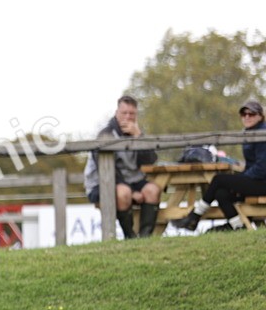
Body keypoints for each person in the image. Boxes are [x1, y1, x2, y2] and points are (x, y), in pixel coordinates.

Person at [170, 100, 266, 232]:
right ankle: (238, 227)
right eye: (244, 114)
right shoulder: (249, 134)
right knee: (221, 193)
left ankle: (194, 217)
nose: (247, 117)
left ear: (261, 116)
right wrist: (239, 181)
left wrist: (240, 181)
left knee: (218, 179)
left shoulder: (262, 133)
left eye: (252, 114)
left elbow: (262, 168)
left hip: (262, 182)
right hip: (256, 180)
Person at [83, 96, 161, 238]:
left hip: (132, 180)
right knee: (123, 193)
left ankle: (145, 238)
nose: (128, 117)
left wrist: (139, 137)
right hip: (102, 183)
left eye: (132, 114)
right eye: (124, 113)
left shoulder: (136, 133)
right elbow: (106, 171)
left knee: (153, 190)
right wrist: (132, 192)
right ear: (116, 113)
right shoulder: (105, 135)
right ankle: (129, 237)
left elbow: (150, 160)